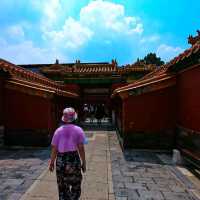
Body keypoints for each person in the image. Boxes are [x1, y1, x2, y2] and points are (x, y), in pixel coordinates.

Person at [49, 107, 86, 200]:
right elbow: (81, 147)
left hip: (61, 160)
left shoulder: (58, 131)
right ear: (74, 118)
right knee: (76, 184)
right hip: (74, 159)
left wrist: (52, 162)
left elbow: (54, 149)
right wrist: (84, 162)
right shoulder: (79, 130)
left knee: (62, 185)